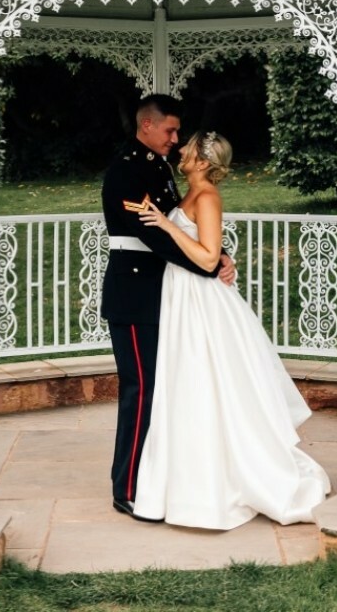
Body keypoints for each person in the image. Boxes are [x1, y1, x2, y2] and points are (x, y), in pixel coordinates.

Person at [133, 130, 331, 529]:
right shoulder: (185, 192)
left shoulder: (207, 197)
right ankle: (185, 482)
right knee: (186, 383)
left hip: (202, 301)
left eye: (188, 148)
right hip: (181, 295)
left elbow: (207, 260)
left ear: (203, 162)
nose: (182, 150)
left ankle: (231, 480)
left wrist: (165, 226)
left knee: (209, 381)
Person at [101, 95, 234, 521]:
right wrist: (211, 266)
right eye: (170, 131)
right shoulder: (125, 171)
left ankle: (156, 476)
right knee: (140, 391)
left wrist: (220, 254)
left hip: (162, 294)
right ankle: (127, 486)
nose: (176, 140)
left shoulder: (156, 166)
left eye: (179, 133)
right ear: (146, 126)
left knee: (162, 390)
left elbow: (180, 224)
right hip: (134, 295)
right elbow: (156, 236)